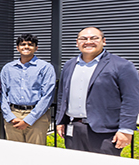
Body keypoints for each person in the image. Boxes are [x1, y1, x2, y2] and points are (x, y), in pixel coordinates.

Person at [56, 27, 139, 155]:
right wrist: (61, 120)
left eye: (94, 38)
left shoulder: (122, 65)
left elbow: (131, 99)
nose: (88, 42)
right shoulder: (69, 65)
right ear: (77, 43)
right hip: (74, 129)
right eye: (83, 39)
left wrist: (126, 129)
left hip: (105, 132)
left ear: (103, 41)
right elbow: (62, 95)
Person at [0, 34, 56, 145]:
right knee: (14, 151)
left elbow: (47, 96)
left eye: (30, 45)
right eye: (23, 44)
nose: (26, 47)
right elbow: (2, 93)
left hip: (37, 116)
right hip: (13, 114)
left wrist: (29, 120)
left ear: (36, 48)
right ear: (17, 48)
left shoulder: (45, 67)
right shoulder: (8, 68)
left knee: (36, 152)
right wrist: (9, 116)